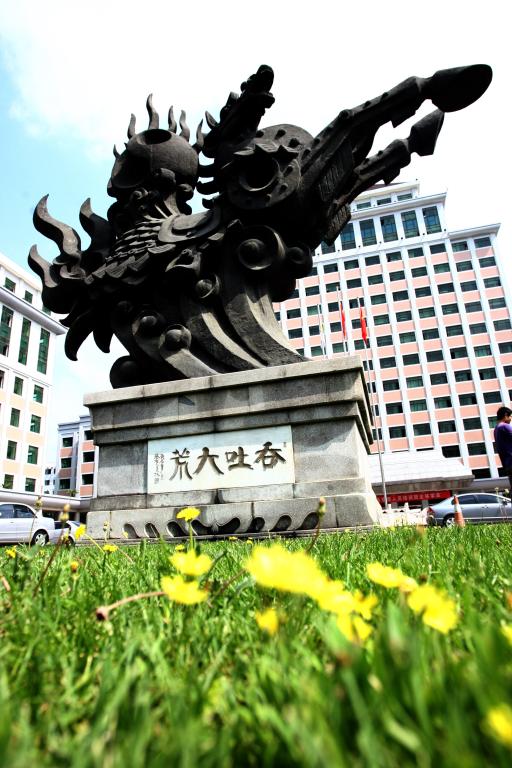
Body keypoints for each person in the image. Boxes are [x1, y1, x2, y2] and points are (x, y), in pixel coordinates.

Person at [494, 406, 512, 492]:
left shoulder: (496, 429)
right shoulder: (505, 426)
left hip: (507, 465)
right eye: (510, 416)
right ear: (505, 415)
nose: (511, 418)